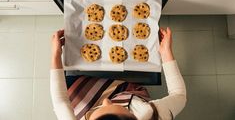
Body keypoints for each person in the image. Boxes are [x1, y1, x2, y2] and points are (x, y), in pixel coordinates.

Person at [50, 27, 186, 120]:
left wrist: (56, 54)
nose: (105, 100)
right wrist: (166, 53)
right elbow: (179, 96)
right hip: (129, 92)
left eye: (98, 112)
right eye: (114, 106)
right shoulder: (149, 113)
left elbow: (60, 102)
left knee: (71, 86)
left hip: (85, 103)